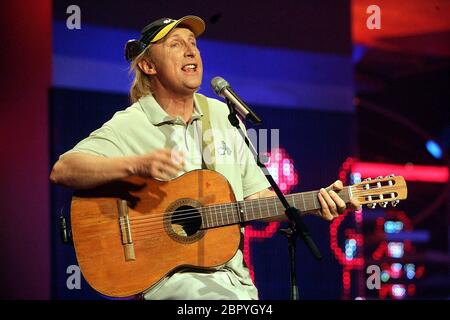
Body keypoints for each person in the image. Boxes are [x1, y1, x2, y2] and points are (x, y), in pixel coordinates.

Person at [50, 15, 360, 300]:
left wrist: (315, 204)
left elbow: (258, 198)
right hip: (172, 282)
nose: (190, 51)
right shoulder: (134, 122)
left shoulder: (222, 115)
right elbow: (64, 169)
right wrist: (135, 164)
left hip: (235, 281)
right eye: (175, 44)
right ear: (149, 66)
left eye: (193, 44)